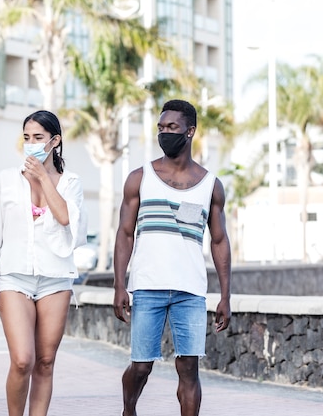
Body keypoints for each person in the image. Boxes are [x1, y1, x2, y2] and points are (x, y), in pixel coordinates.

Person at [113, 99, 232, 416]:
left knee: (189, 367)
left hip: (190, 290)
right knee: (141, 367)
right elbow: (124, 234)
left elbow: (219, 241)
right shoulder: (140, 178)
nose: (164, 133)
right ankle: (129, 409)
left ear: (190, 131)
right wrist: (119, 285)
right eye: (160, 128)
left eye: (172, 128)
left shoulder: (210, 185)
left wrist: (225, 295)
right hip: (148, 286)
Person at [0, 110, 87, 416]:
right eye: (26, 137)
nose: (31, 144)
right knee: (23, 359)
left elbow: (65, 218)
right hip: (14, 278)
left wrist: (42, 177)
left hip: (56, 279)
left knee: (45, 362)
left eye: (38, 138)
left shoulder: (71, 182)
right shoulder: (6, 180)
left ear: (55, 141)